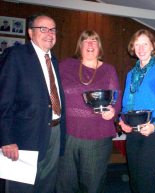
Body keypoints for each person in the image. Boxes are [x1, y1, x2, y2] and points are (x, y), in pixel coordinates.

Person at [0, 13, 66, 193]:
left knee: (45, 185)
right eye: (43, 29)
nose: (49, 33)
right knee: (20, 188)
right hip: (24, 138)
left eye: (52, 29)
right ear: (30, 33)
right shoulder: (15, 55)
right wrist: (7, 140)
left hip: (53, 132)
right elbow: (3, 101)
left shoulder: (53, 60)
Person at [55, 30, 121, 193]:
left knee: (92, 186)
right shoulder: (66, 65)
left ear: (99, 47)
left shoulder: (108, 70)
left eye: (94, 41)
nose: (90, 44)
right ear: (80, 45)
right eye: (86, 41)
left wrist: (113, 110)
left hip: (97, 137)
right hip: (67, 134)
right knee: (65, 184)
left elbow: (116, 97)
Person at [119, 29, 155, 193]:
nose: (141, 48)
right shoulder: (131, 74)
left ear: (153, 47)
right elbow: (125, 105)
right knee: (135, 180)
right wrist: (123, 122)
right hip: (134, 132)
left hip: (154, 132)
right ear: (133, 48)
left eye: (145, 44)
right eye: (137, 44)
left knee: (146, 181)